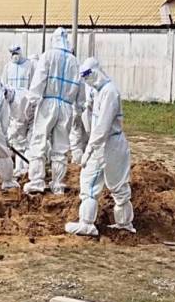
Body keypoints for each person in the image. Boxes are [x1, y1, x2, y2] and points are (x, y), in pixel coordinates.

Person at [65, 58, 135, 236]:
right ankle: (86, 222)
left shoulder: (110, 92)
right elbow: (91, 122)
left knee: (117, 186)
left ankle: (124, 223)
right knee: (88, 182)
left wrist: (89, 149)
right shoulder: (97, 92)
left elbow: (103, 127)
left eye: (88, 75)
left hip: (109, 145)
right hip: (100, 144)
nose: (86, 79)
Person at [24, 27, 84, 195]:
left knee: (39, 142)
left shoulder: (48, 56)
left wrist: (31, 104)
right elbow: (81, 88)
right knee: (61, 147)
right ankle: (57, 184)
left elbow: (39, 81)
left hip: (48, 104)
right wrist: (79, 107)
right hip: (66, 107)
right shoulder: (74, 61)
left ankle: (36, 181)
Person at [1, 44, 36, 176]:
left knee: (25, 139)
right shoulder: (8, 67)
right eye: (11, 53)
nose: (14, 56)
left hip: (26, 104)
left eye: (16, 52)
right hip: (14, 106)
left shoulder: (30, 65)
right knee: (17, 139)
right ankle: (21, 167)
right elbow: (3, 85)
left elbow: (34, 85)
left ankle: (26, 168)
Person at [69, 84, 94, 164]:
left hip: (81, 109)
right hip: (83, 108)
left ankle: (79, 160)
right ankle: (80, 160)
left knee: (78, 136)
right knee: (82, 136)